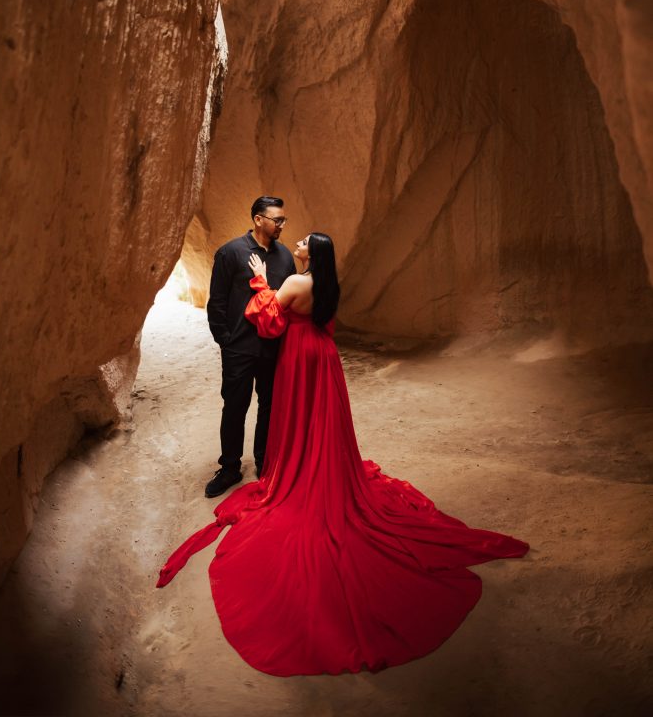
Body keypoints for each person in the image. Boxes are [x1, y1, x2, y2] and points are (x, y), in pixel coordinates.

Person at [158, 232, 530, 676]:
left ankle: (298, 474)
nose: (294, 241)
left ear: (308, 255)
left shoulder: (297, 284)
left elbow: (269, 321)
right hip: (324, 356)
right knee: (323, 425)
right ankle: (320, 465)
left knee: (296, 422)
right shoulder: (329, 284)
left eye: (302, 242)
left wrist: (260, 283)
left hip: (299, 357)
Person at [204, 195, 296, 498]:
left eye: (283, 219)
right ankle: (230, 467)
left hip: (273, 348)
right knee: (235, 407)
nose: (282, 224)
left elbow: (287, 303)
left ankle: (264, 463)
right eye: (277, 219)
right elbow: (216, 301)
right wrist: (225, 340)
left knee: (269, 407)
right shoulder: (231, 252)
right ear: (259, 219)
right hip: (239, 349)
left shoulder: (285, 258)